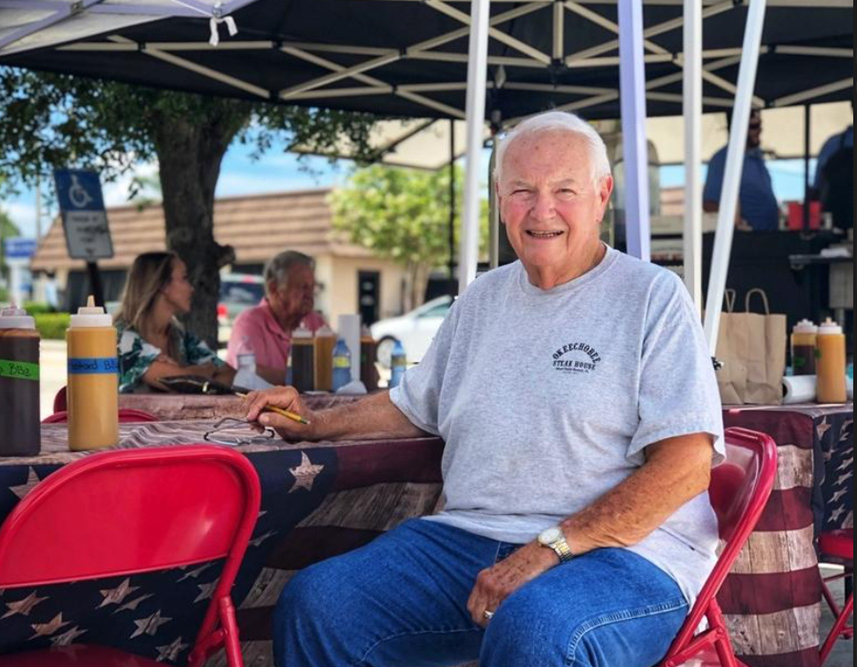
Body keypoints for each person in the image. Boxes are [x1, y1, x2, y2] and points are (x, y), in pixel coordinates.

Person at [246, 111, 725, 667]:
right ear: (500, 199)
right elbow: (414, 404)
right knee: (319, 601)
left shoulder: (652, 296)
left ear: (602, 195)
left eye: (564, 190)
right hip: (467, 539)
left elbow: (687, 466)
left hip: (626, 553)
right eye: (523, 191)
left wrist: (550, 548)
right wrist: (313, 419)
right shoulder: (481, 299)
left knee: (537, 627)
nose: (542, 211)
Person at [115, 251, 234, 393]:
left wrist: (189, 374)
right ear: (163, 285)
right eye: (184, 278)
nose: (191, 288)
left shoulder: (179, 335)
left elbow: (229, 373)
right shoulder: (122, 337)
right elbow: (176, 380)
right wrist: (208, 370)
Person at [227, 250, 327, 385]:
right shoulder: (250, 322)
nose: (310, 294)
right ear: (274, 288)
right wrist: (305, 378)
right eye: (302, 287)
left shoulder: (316, 323)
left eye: (312, 287)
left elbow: (335, 369)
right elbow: (250, 374)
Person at [703, 109, 780, 231]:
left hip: (769, 237)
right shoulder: (723, 159)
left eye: (760, 125)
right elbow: (709, 203)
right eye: (754, 126)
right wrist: (736, 223)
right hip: (745, 239)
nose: (760, 130)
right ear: (738, 128)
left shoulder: (757, 156)